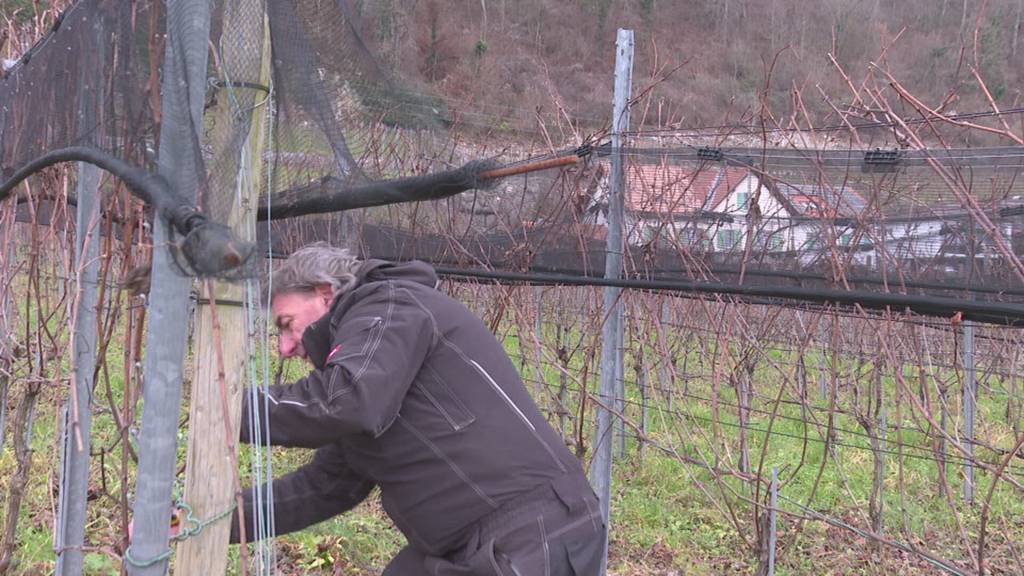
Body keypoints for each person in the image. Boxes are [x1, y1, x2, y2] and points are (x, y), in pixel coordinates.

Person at [232, 243, 606, 575]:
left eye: (287, 325)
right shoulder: (371, 366)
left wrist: (226, 409)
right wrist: (218, 522)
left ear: (325, 294)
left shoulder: (389, 306)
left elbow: (343, 401)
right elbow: (327, 487)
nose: (284, 347)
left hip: (527, 534)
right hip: (478, 542)